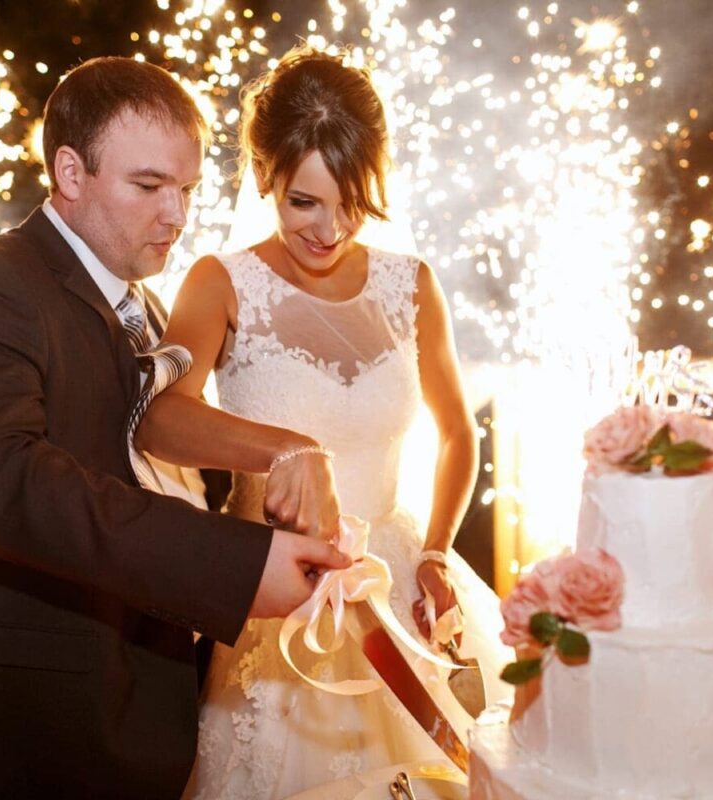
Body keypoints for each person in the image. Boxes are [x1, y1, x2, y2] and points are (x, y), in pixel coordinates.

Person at [0, 56, 350, 800]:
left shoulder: (152, 314)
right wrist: (234, 566)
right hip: (25, 727)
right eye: (148, 186)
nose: (177, 216)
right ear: (70, 173)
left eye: (187, 190)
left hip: (144, 715)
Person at [136, 47, 512, 799]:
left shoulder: (412, 286)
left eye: (352, 202)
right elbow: (158, 420)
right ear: (264, 174)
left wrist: (435, 552)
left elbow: (456, 433)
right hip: (274, 596)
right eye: (304, 202)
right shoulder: (221, 283)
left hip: (397, 586)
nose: (329, 228)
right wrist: (289, 448)